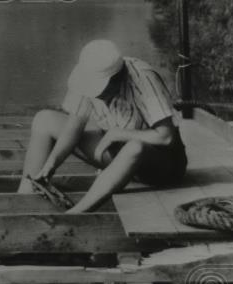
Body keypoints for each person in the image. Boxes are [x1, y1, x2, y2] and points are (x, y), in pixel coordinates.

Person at [18, 39, 187, 213]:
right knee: (44, 119)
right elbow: (73, 129)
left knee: (135, 147)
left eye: (100, 91)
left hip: (160, 166)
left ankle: (75, 214)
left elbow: (166, 137)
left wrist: (118, 134)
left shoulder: (143, 77)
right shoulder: (87, 72)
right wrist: (51, 164)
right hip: (118, 156)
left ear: (116, 79)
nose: (97, 96)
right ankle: (25, 197)